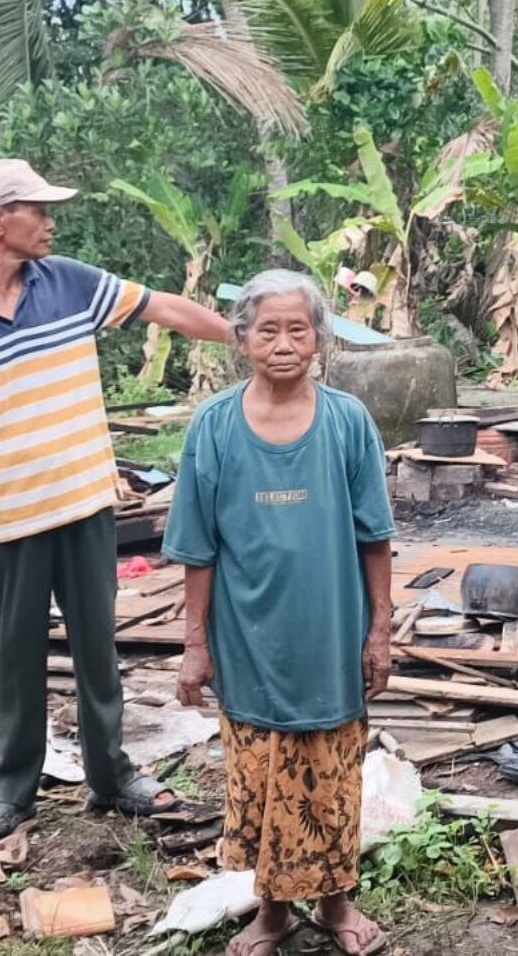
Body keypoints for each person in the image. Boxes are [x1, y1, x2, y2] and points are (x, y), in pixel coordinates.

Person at [0, 159, 233, 843]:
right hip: (3, 517)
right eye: (38, 210)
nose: (51, 222)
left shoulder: (72, 283)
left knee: (96, 649)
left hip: (83, 504)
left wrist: (245, 336)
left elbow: (163, 308)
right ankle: (12, 791)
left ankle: (112, 776)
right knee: (15, 657)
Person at [163, 270, 395, 956]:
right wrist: (194, 645)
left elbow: (374, 535)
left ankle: (335, 905)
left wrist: (379, 630)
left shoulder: (348, 421)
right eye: (269, 329)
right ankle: (272, 911)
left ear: (321, 339)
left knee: (332, 775)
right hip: (247, 640)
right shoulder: (214, 426)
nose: (285, 343)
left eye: (299, 329)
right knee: (261, 778)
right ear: (242, 341)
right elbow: (196, 548)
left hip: (331, 637)